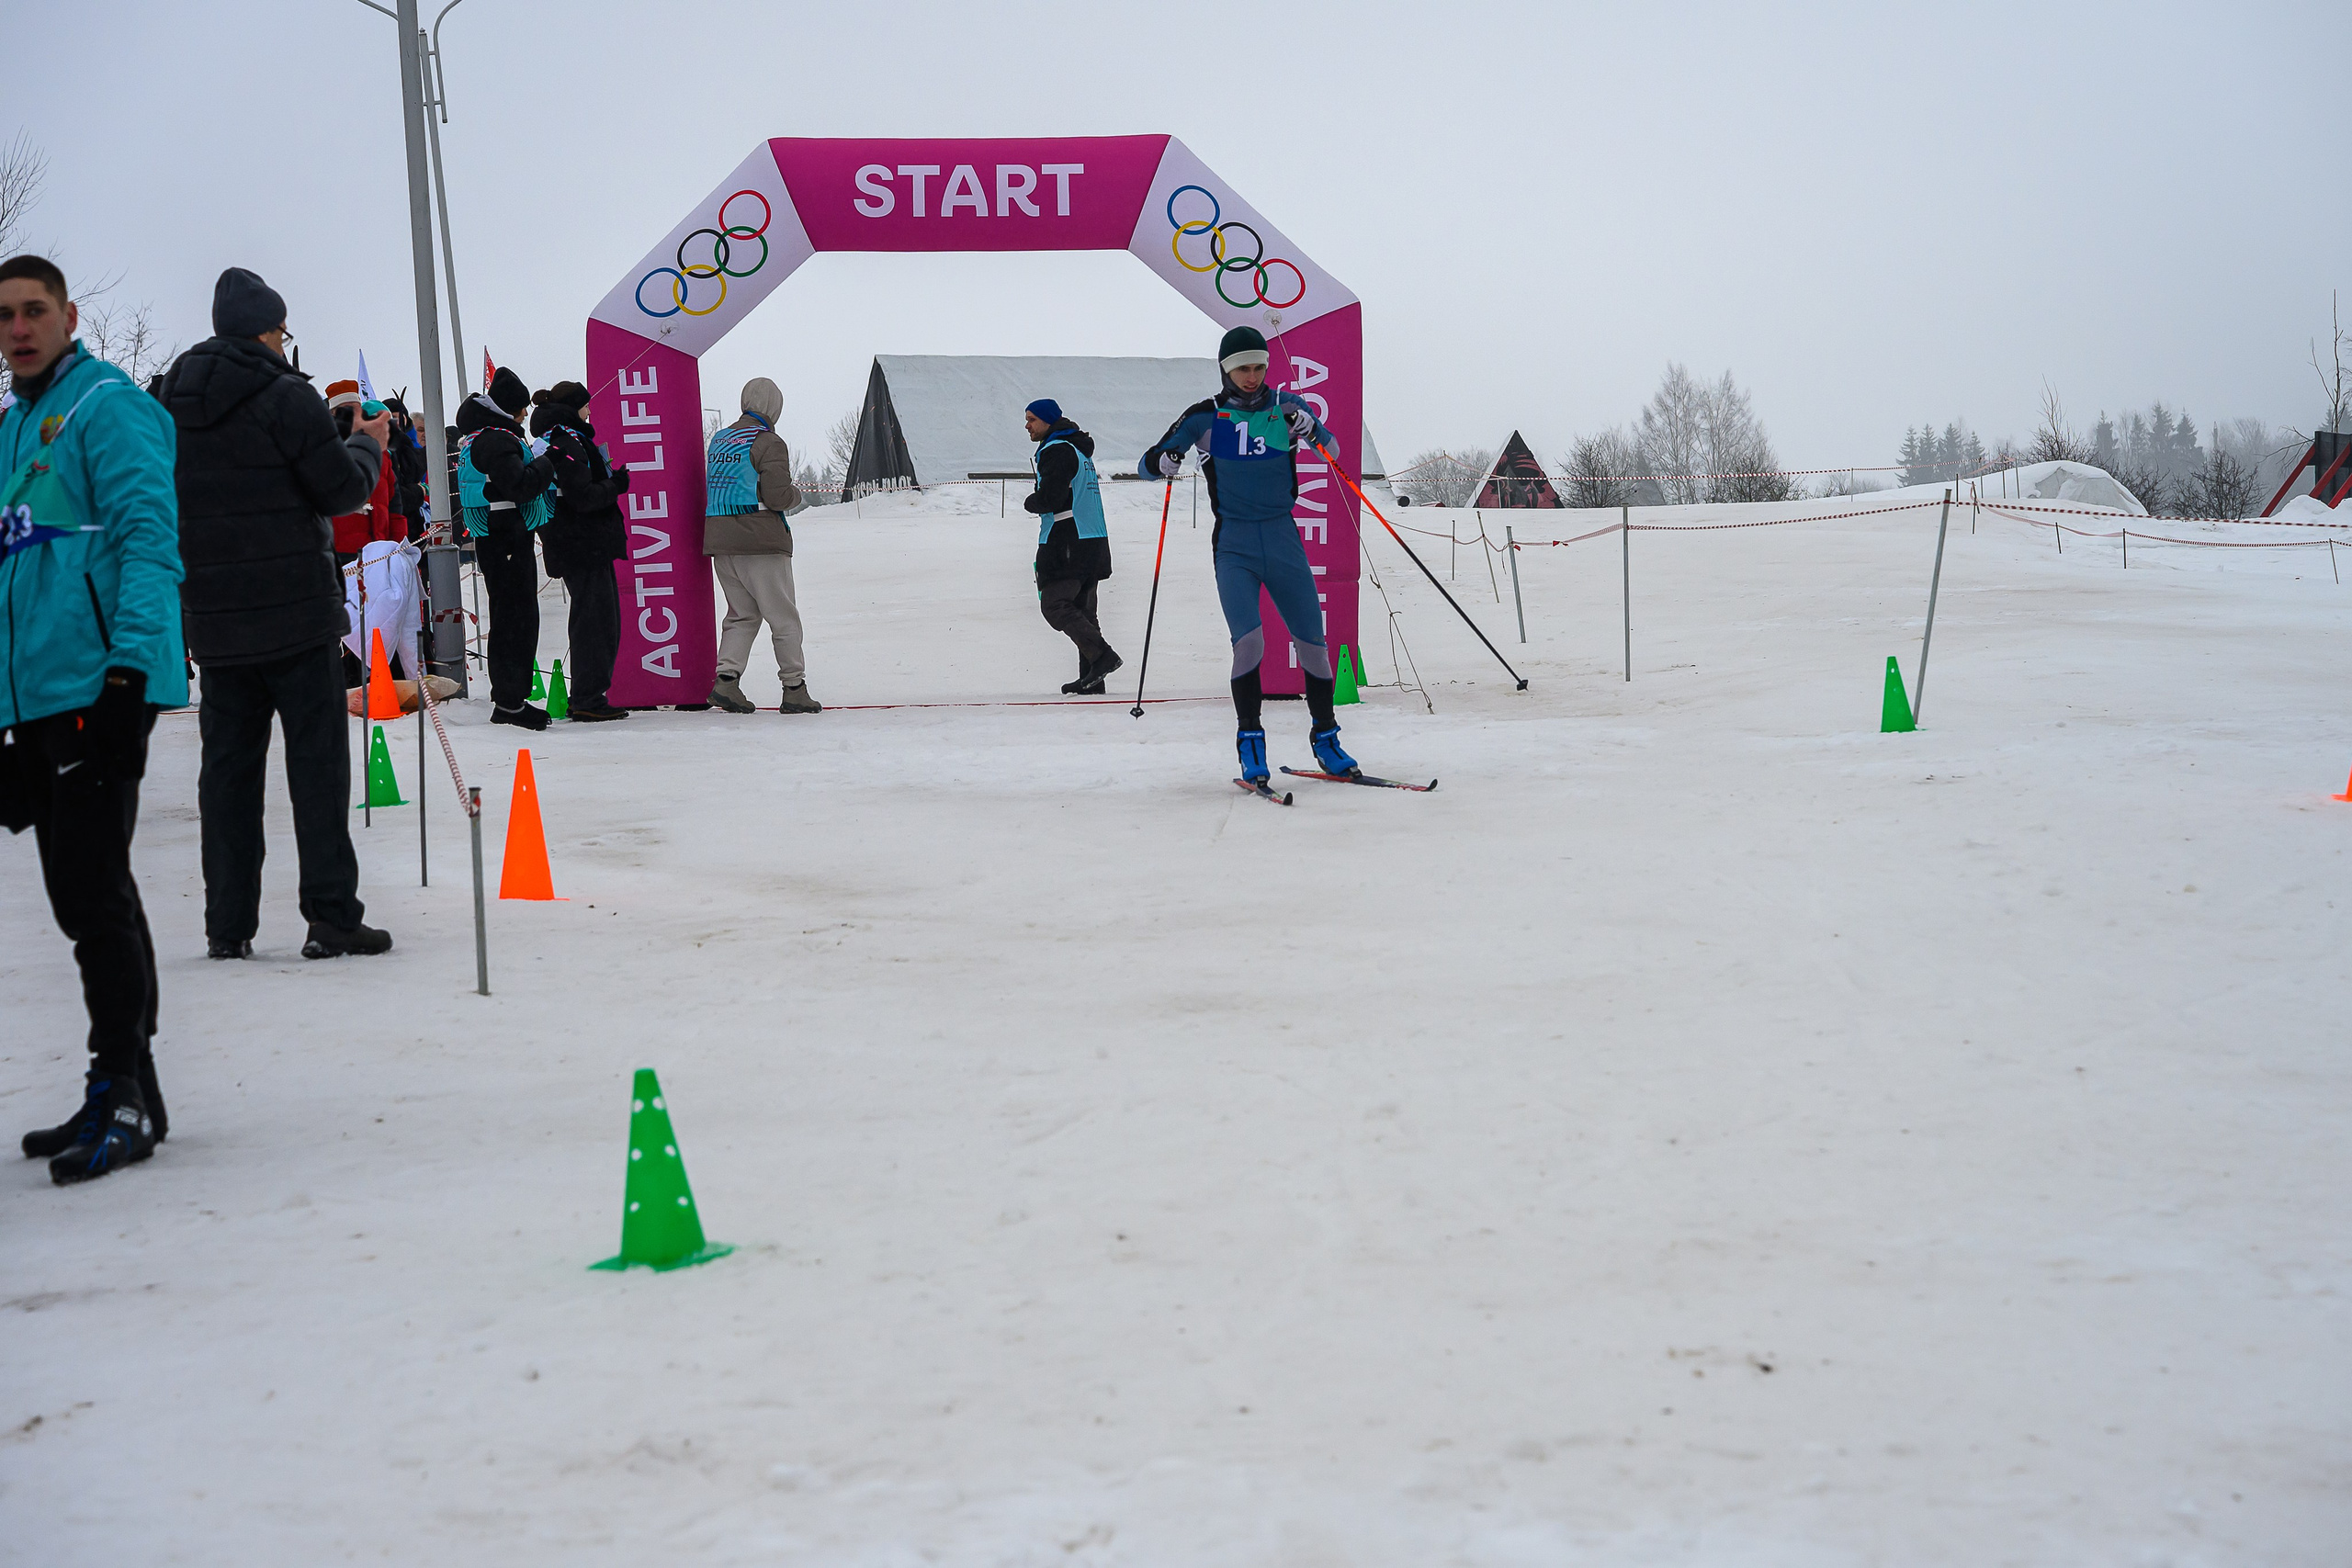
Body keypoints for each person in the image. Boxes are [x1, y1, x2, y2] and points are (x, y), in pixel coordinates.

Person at [0, 254, 185, 1183]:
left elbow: (151, 542)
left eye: (35, 310)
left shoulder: (108, 407)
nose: (20, 328)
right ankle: (128, 1081)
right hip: (38, 697)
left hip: (99, 684)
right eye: (5, 316)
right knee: (84, 893)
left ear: (70, 315)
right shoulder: (16, 425)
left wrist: (128, 678)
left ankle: (120, 1088)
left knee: (91, 893)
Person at [163, 265, 394, 961]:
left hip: (215, 616)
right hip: (295, 614)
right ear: (269, 330)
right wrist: (368, 444)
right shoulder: (283, 393)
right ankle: (330, 914)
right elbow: (337, 491)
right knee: (316, 768)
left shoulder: (170, 397)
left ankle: (227, 924)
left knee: (227, 775)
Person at [1139, 325, 1363, 784]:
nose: (1252, 375)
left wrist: (1312, 427)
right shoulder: (1205, 416)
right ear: (1226, 368)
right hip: (1235, 544)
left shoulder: (1286, 408)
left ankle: (1326, 738)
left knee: (1314, 648)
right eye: (1243, 367)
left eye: (1259, 366)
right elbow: (1148, 464)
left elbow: (1334, 450)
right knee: (1250, 644)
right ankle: (1250, 743)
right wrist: (1163, 462)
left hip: (1282, 538)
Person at [704, 378, 818, 715]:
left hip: (721, 542)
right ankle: (794, 688)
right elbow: (778, 496)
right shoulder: (769, 442)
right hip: (761, 543)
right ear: (774, 407)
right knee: (783, 618)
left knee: (741, 615)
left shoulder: (720, 440)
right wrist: (797, 495)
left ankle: (726, 681)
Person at [453, 367, 556, 728]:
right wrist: (547, 462)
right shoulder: (497, 440)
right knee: (516, 618)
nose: (527, 413)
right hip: (507, 538)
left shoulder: (482, 437)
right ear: (510, 407)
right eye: (522, 406)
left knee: (512, 615)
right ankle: (510, 701)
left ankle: (512, 698)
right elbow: (519, 486)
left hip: (500, 538)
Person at [529, 381, 631, 721]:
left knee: (597, 618)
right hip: (583, 545)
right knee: (596, 621)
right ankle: (588, 696)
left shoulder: (558, 441)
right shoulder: (567, 442)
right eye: (586, 405)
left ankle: (588, 694)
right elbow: (581, 496)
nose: (590, 411)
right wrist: (615, 485)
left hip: (580, 544)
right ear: (574, 408)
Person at [1022, 398, 1119, 694]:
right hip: (1093, 537)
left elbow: (1050, 499)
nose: (1027, 426)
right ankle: (1093, 681)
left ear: (1048, 421)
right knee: (1084, 610)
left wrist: (1031, 502)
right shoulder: (1078, 448)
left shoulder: (1056, 450)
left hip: (1068, 542)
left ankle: (1102, 657)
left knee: (1054, 604)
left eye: (1032, 419)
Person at [322, 379, 405, 569]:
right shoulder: (323, 449)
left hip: (378, 549)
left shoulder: (380, 451)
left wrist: (398, 543)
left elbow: (394, 502)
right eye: (344, 410)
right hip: (338, 552)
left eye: (355, 409)